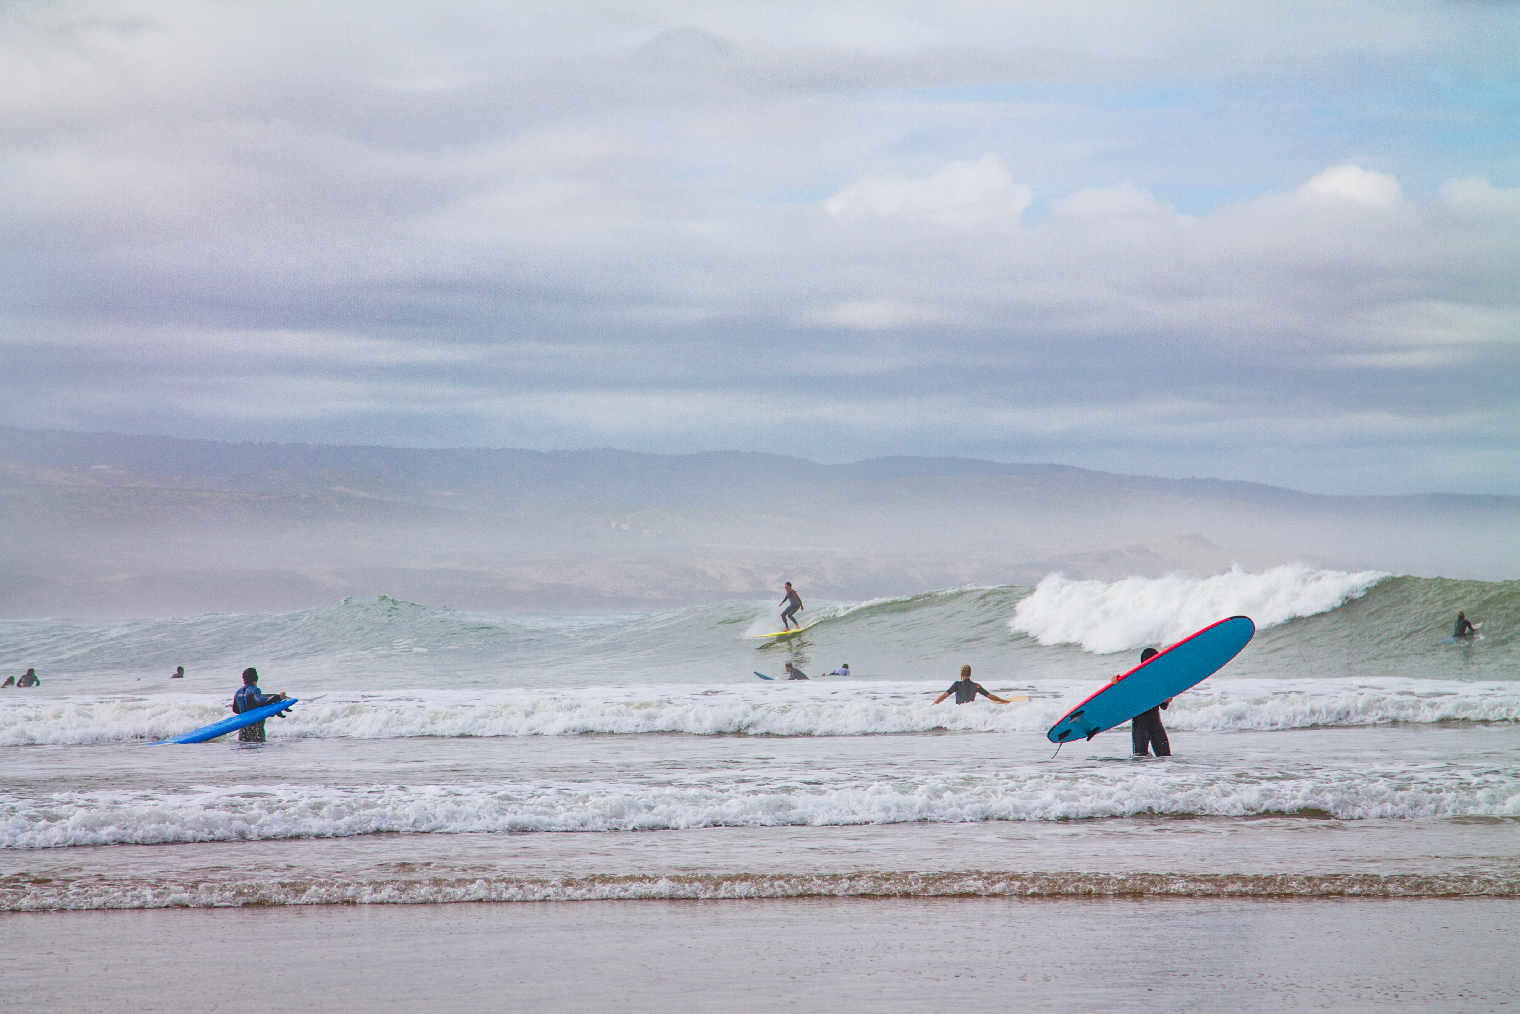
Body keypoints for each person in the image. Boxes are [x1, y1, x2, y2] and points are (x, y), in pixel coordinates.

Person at [1114, 647, 1171, 757]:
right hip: (1140, 728)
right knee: (1140, 761)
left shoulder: (1158, 681)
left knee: (1166, 759)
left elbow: (1163, 706)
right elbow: (1123, 696)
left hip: (1156, 725)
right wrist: (1116, 682)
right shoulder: (1134, 680)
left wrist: (1166, 700)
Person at [232, 667, 287, 743]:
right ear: (256, 678)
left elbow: (235, 710)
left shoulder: (238, 692)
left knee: (244, 749)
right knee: (257, 749)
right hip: (256, 728)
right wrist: (278, 697)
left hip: (243, 727)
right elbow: (260, 701)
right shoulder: (255, 690)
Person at [932, 665, 1017, 705]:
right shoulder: (976, 686)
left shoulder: (957, 685)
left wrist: (934, 704)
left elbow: (944, 695)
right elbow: (990, 696)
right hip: (970, 710)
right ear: (970, 673)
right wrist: (1003, 701)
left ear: (961, 673)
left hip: (959, 711)